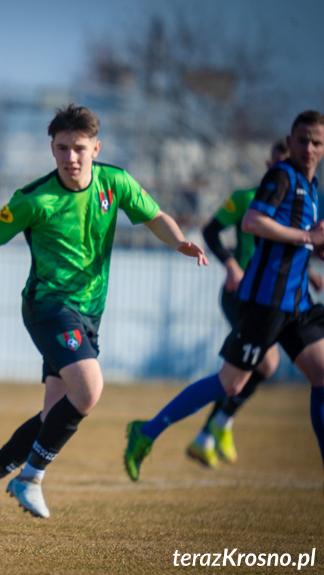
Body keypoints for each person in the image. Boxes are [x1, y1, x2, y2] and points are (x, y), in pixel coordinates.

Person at [0, 103, 208, 518]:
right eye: (61, 148)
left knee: (53, 414)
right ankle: (30, 478)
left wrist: (178, 241)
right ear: (51, 149)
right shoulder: (33, 199)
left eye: (78, 148)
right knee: (89, 389)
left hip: (90, 312)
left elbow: (155, 216)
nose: (70, 157)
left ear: (96, 148)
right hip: (48, 307)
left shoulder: (116, 183)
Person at [124, 110, 324, 483]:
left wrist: (314, 253)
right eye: (303, 140)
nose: (309, 148)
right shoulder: (279, 178)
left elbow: (306, 241)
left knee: (319, 374)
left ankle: (218, 425)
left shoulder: (314, 191)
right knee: (232, 381)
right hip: (264, 301)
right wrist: (302, 240)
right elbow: (243, 225)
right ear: (289, 142)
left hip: (298, 303)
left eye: (317, 142)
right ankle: (149, 431)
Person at [186, 140, 324, 469]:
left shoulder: (305, 201)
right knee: (261, 364)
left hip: (279, 299)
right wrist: (231, 265)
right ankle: (207, 427)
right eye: (279, 164)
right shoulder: (246, 200)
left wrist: (311, 275)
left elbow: (293, 254)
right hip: (245, 294)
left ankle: (214, 427)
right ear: (269, 166)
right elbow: (211, 232)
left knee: (266, 366)